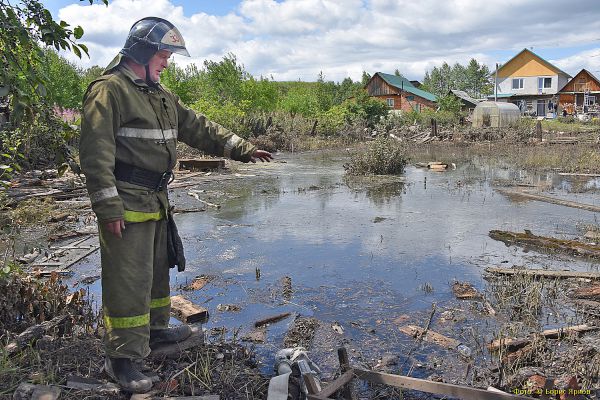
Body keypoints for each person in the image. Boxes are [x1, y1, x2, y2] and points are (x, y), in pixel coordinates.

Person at [79, 17, 272, 393]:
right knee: (127, 281)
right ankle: (122, 359)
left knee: (154, 274)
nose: (167, 60)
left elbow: (197, 126)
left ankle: (154, 331)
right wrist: (108, 209)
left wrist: (242, 149)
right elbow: (94, 155)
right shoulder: (110, 91)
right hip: (126, 200)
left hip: (156, 199)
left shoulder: (160, 95)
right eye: (164, 53)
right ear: (144, 52)